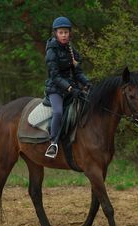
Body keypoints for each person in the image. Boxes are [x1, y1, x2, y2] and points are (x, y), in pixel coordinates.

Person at [44, 16, 91, 158]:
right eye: (61, 32)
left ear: (69, 33)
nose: (64, 35)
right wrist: (71, 88)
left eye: (66, 32)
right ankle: (53, 143)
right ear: (55, 34)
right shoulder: (51, 51)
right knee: (58, 112)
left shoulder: (72, 51)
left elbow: (78, 72)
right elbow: (55, 76)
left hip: (71, 87)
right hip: (56, 88)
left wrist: (87, 83)